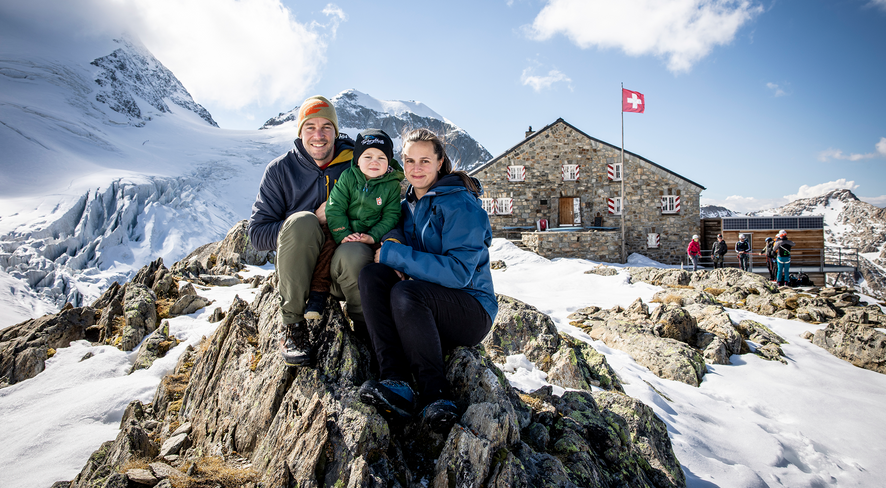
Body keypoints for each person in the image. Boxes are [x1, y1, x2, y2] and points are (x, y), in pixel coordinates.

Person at [357, 128, 497, 434]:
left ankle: (436, 395)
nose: (416, 168)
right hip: (428, 302)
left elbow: (460, 272)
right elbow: (399, 233)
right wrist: (393, 245)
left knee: (406, 293)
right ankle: (395, 380)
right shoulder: (410, 202)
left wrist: (398, 257)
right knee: (372, 276)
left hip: (472, 309)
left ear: (439, 162)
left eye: (424, 161)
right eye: (409, 160)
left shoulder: (460, 204)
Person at [247, 95, 374, 367]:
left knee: (353, 251)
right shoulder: (281, 171)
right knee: (302, 221)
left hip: (342, 273)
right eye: (310, 127)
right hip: (300, 277)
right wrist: (312, 220)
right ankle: (292, 327)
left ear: (336, 131)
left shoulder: (357, 164)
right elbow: (257, 234)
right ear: (300, 132)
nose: (319, 135)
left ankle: (366, 327)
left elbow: (387, 204)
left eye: (326, 127)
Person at [307, 129, 405, 319]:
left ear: (389, 162)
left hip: (370, 232)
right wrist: (342, 233)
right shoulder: (348, 177)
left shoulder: (391, 184)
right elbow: (335, 207)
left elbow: (391, 215)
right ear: (358, 159)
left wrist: (373, 236)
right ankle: (317, 293)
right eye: (367, 156)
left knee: (384, 258)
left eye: (381, 157)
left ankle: (376, 307)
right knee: (325, 251)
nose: (374, 162)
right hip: (342, 228)